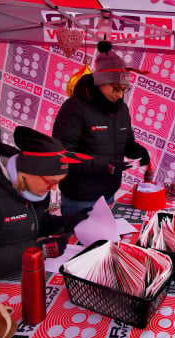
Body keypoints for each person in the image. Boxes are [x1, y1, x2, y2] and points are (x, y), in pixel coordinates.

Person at [0, 126, 91, 301]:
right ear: (26, 174)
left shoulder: (33, 190)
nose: (53, 188)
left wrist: (69, 222)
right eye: (51, 182)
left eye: (58, 182)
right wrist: (36, 250)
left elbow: (35, 223)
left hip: (16, 278)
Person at [52, 41, 150, 216]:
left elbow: (126, 141)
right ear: (100, 83)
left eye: (124, 90)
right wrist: (106, 165)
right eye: (116, 88)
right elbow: (63, 156)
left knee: (105, 243)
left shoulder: (121, 109)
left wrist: (138, 151)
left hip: (109, 193)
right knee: (81, 243)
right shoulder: (74, 108)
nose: (120, 95)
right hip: (80, 198)